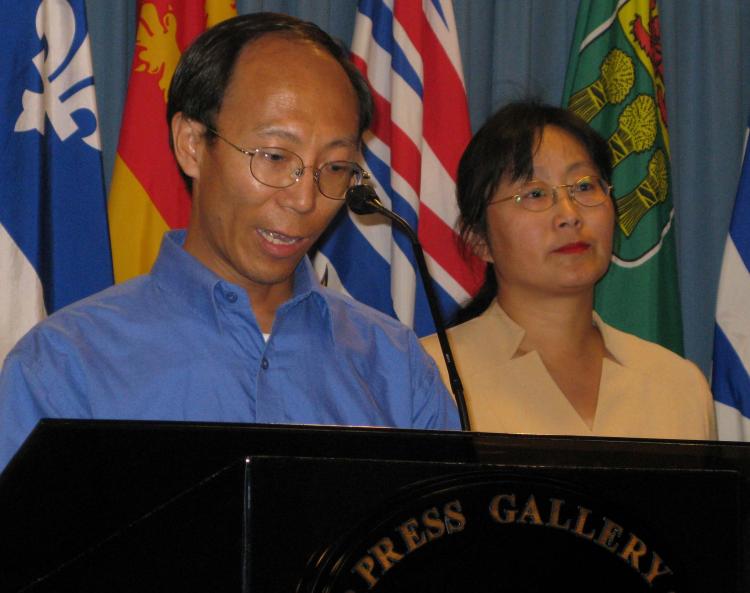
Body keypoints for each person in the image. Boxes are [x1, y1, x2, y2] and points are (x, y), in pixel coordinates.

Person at [0, 13, 459, 473]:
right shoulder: (65, 366)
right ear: (192, 144)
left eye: (336, 167)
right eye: (276, 157)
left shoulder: (397, 370)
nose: (305, 199)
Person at [422, 101, 716, 439]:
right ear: (479, 240)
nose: (569, 214)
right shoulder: (431, 374)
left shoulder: (677, 385)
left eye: (585, 187)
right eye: (534, 193)